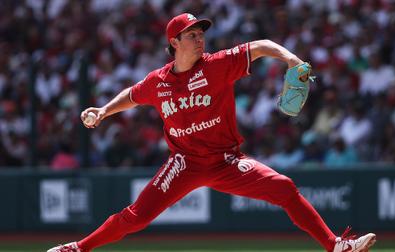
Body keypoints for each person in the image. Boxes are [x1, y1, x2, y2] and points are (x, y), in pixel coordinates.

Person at [48, 13, 376, 252]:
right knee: (136, 217)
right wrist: (104, 110)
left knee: (285, 188)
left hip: (227, 162)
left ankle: (335, 245)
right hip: (185, 163)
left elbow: (261, 45)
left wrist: (291, 60)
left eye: (201, 32)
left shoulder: (217, 65)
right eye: (192, 34)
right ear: (174, 42)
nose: (200, 38)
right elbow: (133, 95)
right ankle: (78, 248)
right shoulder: (158, 82)